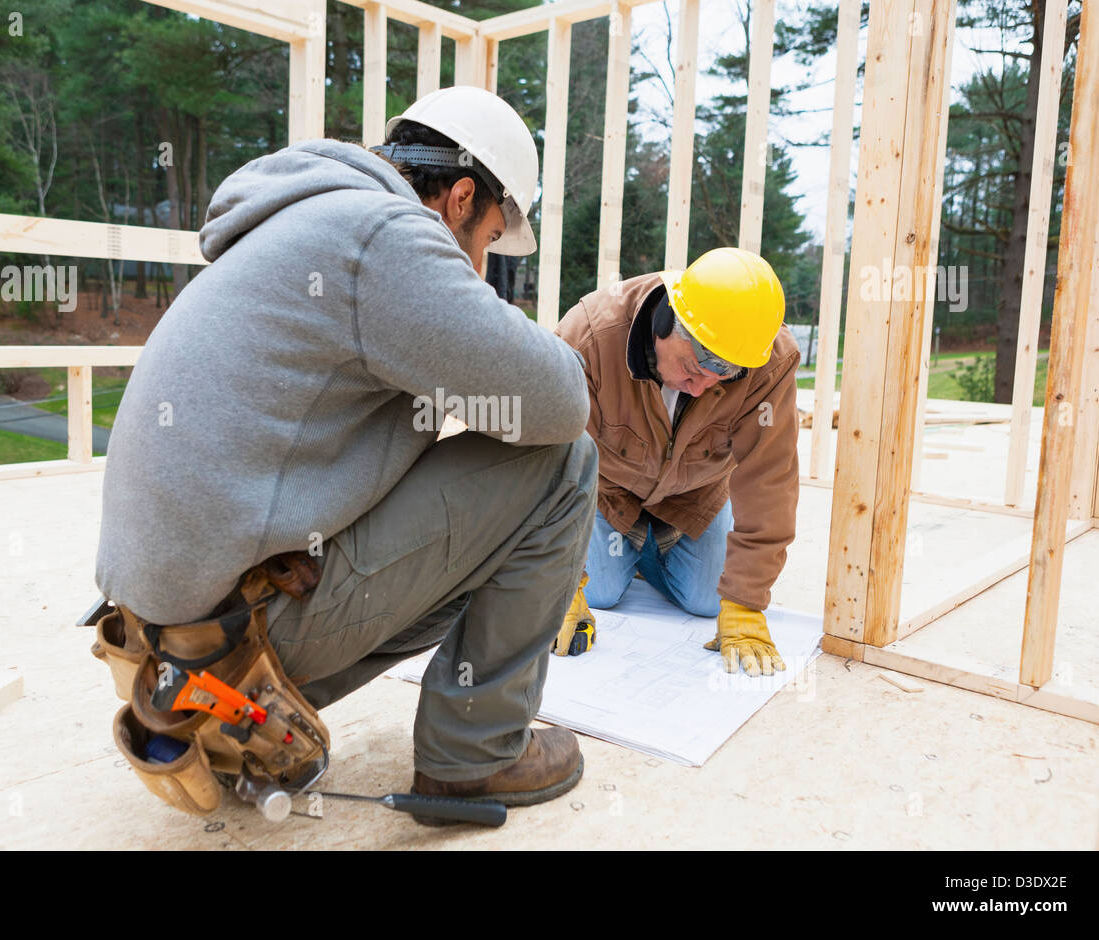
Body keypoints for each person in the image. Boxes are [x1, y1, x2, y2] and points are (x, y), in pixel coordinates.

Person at [93, 86, 595, 820]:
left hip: (164, 647)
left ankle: (246, 731)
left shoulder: (304, 217)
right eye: (485, 241)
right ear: (459, 198)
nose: (479, 268)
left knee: (478, 525)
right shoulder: (383, 237)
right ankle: (476, 757)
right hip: (230, 641)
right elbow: (557, 403)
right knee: (564, 464)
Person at [552, 250, 799, 677]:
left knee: (710, 601)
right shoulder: (590, 335)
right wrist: (555, 584)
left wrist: (745, 604)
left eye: (721, 376)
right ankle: (630, 553)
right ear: (665, 320)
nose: (701, 389)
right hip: (607, 494)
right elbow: (548, 458)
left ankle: (644, 554)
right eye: (692, 367)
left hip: (694, 498)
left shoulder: (766, 361)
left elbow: (769, 482)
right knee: (604, 591)